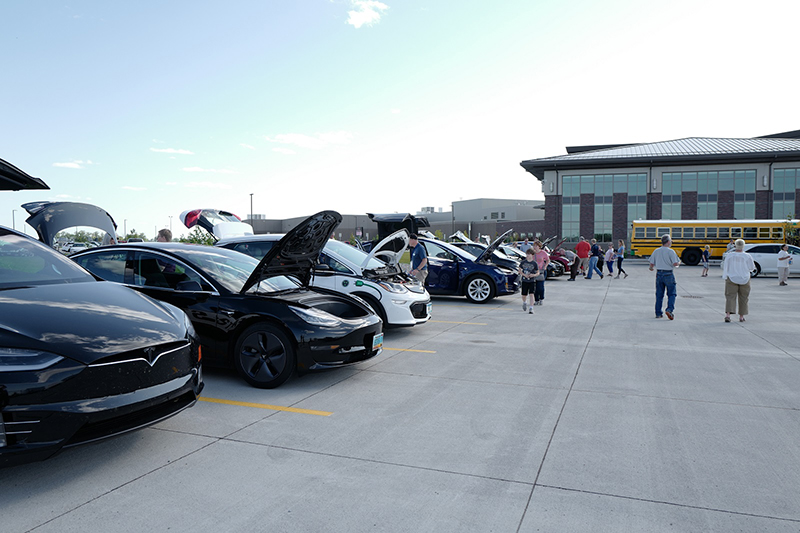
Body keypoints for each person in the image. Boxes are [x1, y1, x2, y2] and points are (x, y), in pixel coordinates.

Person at [722, 238, 755, 323]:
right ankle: (741, 316)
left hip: (731, 278)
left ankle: (728, 315)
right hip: (744, 278)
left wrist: (725, 276)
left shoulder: (729, 255)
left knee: (730, 297)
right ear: (743, 246)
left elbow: (725, 266)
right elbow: (751, 268)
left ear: (735, 245)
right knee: (744, 297)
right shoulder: (747, 256)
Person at [648, 234, 680, 320]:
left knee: (659, 294)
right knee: (672, 293)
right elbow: (675, 264)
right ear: (668, 242)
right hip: (668, 274)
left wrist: (651, 268)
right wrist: (679, 263)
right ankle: (669, 309)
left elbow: (651, 264)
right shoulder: (671, 251)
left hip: (659, 274)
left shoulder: (656, 251)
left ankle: (658, 313)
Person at [518, 248, 539, 314]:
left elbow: (538, 272)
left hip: (532, 281)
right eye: (527, 254)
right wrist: (524, 275)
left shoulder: (534, 263)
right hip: (524, 280)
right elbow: (519, 270)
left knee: (531, 294)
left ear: (532, 255)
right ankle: (524, 302)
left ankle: (531, 308)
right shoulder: (523, 262)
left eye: (529, 254)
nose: (527, 255)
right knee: (524, 294)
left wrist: (533, 275)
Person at [531, 241, 550, 305]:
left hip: (541, 271)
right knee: (534, 287)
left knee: (540, 286)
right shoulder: (532, 253)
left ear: (539, 246)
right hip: (534, 271)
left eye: (536, 246)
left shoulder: (543, 253)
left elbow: (548, 260)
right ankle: (536, 300)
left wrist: (545, 266)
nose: (535, 247)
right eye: (534, 246)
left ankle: (541, 298)